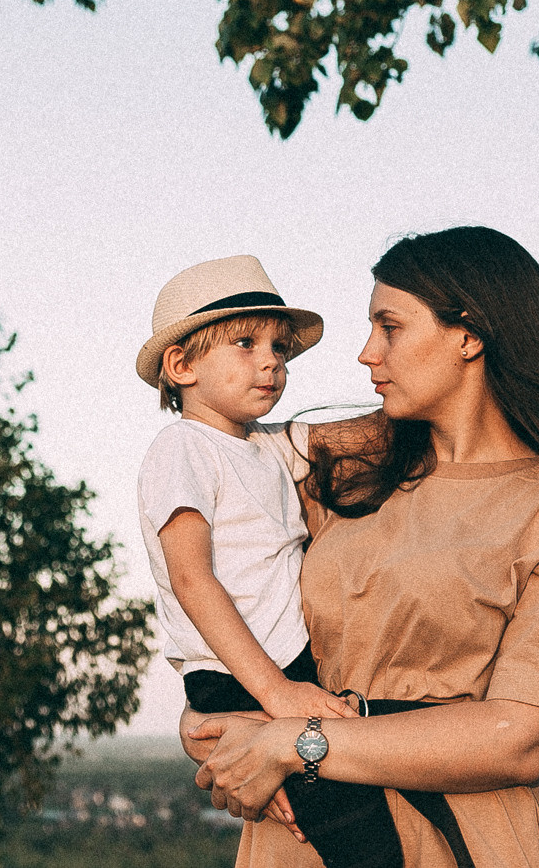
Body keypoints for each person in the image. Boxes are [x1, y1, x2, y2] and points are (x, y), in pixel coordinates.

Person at [184, 227, 539, 868]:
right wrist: (209, 705)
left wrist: (298, 744)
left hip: (460, 837)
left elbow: (522, 741)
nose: (366, 354)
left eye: (390, 326)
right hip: (299, 834)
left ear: (469, 334)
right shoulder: (345, 475)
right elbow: (220, 569)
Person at [136, 255, 358, 727]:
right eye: (245, 343)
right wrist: (275, 691)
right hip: (242, 672)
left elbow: (359, 435)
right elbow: (191, 579)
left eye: (279, 347)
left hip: (284, 663)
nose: (271, 361)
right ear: (182, 365)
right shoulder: (183, 447)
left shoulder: (264, 443)